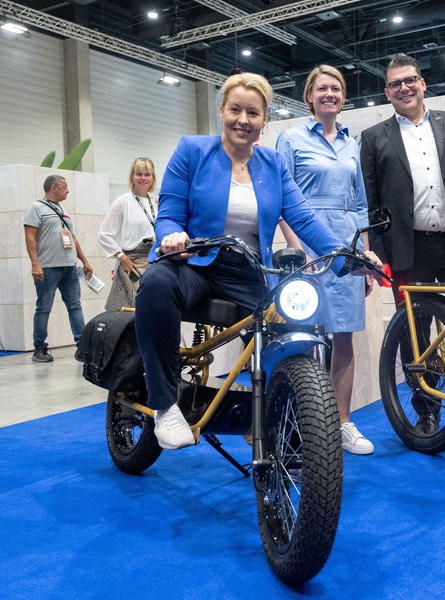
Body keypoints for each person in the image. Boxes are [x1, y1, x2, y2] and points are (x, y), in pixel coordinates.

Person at [135, 72, 381, 451]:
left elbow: (304, 219)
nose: (243, 120)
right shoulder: (192, 150)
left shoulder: (273, 164)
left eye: (253, 113)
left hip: (248, 269)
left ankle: (284, 416)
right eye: (235, 109)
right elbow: (168, 212)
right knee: (155, 285)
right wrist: (172, 235)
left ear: (264, 120)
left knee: (293, 322)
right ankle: (166, 405)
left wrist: (350, 258)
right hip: (194, 263)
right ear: (222, 111)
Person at [360, 54, 445, 439]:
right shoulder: (373, 137)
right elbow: (371, 201)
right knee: (414, 335)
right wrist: (381, 254)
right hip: (407, 251)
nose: (404, 87)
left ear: (423, 83)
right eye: (395, 83)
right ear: (387, 92)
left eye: (410, 80)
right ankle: (427, 412)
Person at [275, 65, 375, 455]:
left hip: (346, 244)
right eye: (321, 88)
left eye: (335, 88)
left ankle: (342, 423)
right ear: (309, 96)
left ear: (343, 95)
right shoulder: (291, 138)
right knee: (301, 338)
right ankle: (298, 424)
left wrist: (364, 256)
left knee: (345, 337)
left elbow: (362, 204)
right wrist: (298, 250)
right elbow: (283, 200)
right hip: (308, 244)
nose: (329, 94)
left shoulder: (353, 144)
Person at [23, 175, 93, 363]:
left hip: (69, 267)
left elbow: (73, 237)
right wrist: (35, 264)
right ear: (53, 188)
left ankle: (82, 346)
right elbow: (30, 237)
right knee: (44, 308)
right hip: (47, 268)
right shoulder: (36, 208)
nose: (67, 190)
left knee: (75, 306)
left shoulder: (63, 209)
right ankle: (40, 348)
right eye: (64, 187)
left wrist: (85, 261)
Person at [97, 157, 158, 310]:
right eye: (139, 174)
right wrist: (122, 257)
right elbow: (104, 234)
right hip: (134, 263)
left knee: (157, 309)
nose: (143, 178)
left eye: (147, 174)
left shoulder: (156, 203)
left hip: (156, 263)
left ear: (153, 178)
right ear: (132, 177)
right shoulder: (123, 201)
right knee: (135, 309)